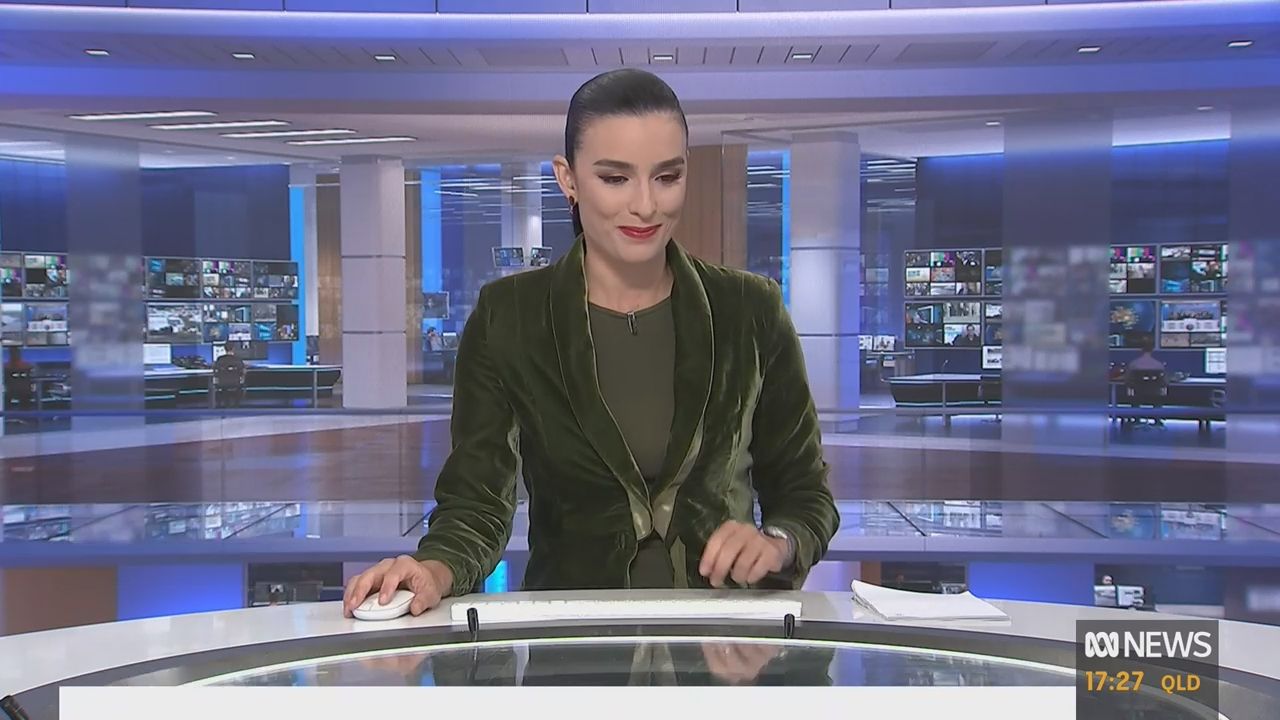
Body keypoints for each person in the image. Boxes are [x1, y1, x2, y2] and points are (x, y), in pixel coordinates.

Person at [344, 68, 839, 618]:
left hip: (726, 642)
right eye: (615, 178)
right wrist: (434, 569)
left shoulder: (750, 309)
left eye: (667, 176)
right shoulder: (509, 316)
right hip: (572, 642)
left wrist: (778, 542)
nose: (646, 205)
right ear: (569, 179)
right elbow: (476, 501)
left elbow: (805, 494)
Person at [213, 344, 246, 408]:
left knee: (223, 387)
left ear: (224, 349)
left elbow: (215, 370)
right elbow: (243, 371)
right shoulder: (238, 359)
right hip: (235, 382)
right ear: (233, 349)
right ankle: (236, 404)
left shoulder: (220, 359)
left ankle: (225, 403)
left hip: (222, 383)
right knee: (241, 386)